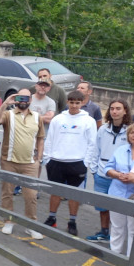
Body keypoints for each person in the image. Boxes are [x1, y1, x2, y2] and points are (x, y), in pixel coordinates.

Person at [42, 91, 98, 236]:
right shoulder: (58, 119)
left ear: (82, 103)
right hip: (56, 162)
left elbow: (92, 143)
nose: (74, 105)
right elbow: (50, 139)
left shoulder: (88, 121)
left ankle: (72, 221)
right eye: (71, 102)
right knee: (55, 192)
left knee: (74, 195)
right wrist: (47, 158)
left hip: (77, 163)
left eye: (77, 103)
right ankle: (51, 218)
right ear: (68, 102)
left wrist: (86, 163)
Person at [0, 89, 46, 239]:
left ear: (31, 100)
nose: (23, 100)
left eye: (26, 98)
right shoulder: (9, 114)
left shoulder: (37, 117)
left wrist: (39, 157)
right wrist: (5, 103)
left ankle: (31, 224)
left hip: (30, 163)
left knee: (31, 195)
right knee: (7, 193)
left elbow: (41, 138)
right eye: (20, 97)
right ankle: (8, 221)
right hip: (9, 161)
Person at [85, 100, 131, 243]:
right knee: (102, 206)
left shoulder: (130, 131)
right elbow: (95, 150)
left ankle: (119, 237)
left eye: (118, 109)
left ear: (125, 111)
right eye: (112, 108)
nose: (114, 111)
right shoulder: (103, 129)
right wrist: (94, 170)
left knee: (119, 208)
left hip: (121, 177)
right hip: (102, 174)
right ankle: (104, 232)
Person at [103, 122, 134, 256]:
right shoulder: (120, 150)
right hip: (117, 192)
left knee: (133, 229)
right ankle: (115, 255)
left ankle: (131, 258)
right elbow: (108, 168)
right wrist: (117, 175)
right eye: (131, 132)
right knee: (117, 227)